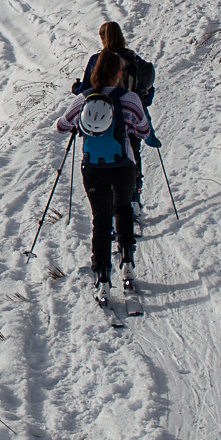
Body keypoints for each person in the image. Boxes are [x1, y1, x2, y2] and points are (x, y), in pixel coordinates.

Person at [56, 50, 152, 295]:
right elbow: (143, 130)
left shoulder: (84, 98)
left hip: (93, 167)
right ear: (120, 73)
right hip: (124, 165)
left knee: (100, 218)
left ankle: (102, 277)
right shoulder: (129, 98)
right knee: (123, 210)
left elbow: (61, 125)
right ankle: (127, 261)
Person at [72, 22, 156, 217]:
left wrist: (76, 90)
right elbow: (147, 91)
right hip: (130, 116)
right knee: (132, 155)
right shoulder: (134, 59)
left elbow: (86, 90)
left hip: (100, 117)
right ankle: (133, 199)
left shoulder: (96, 60)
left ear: (102, 38)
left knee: (102, 155)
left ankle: (106, 202)